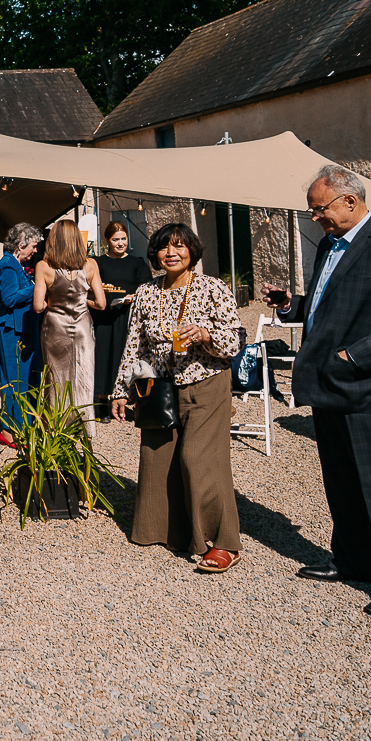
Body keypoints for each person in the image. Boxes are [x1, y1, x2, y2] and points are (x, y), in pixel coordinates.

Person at [265, 165, 371, 617]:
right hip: (331, 389)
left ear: (350, 201)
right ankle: (355, 562)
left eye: (318, 209)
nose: (315, 218)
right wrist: (291, 305)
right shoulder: (328, 246)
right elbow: (330, 307)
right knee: (343, 485)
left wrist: (354, 356)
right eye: (312, 211)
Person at [112, 223, 245, 572]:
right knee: (157, 460)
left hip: (206, 382)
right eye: (164, 248)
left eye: (180, 246)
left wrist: (204, 334)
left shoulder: (213, 288)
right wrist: (121, 391)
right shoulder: (145, 293)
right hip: (158, 386)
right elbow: (134, 345)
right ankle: (169, 530)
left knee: (198, 460)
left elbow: (234, 343)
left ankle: (223, 542)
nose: (172, 253)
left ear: (192, 251)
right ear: (155, 253)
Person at [34, 220, 106, 444]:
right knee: (83, 377)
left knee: (56, 380)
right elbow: (102, 304)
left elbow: (38, 306)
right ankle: (84, 431)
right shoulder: (90, 265)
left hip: (55, 328)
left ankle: (55, 430)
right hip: (83, 328)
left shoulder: (44, 267)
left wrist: (51, 303)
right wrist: (86, 303)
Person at [92, 221, 153, 420]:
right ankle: (100, 402)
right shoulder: (97, 263)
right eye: (115, 239)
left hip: (128, 317)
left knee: (124, 357)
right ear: (107, 241)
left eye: (123, 239)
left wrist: (133, 298)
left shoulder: (137, 263)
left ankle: (124, 399)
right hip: (102, 316)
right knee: (101, 357)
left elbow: (147, 291)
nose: (120, 243)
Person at [0, 223, 43, 444]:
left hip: (24, 330)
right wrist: (39, 286)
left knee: (28, 379)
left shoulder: (17, 265)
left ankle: (27, 425)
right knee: (14, 381)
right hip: (12, 331)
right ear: (21, 244)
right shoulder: (8, 266)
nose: (35, 251)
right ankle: (11, 430)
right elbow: (10, 298)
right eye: (33, 246)